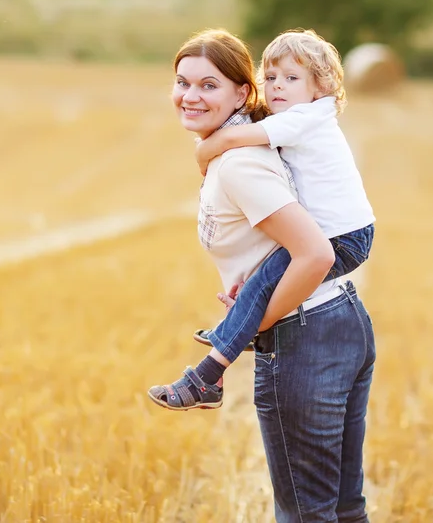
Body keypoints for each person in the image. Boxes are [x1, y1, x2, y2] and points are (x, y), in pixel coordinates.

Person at [148, 29, 376, 521]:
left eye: (209, 85)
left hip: (305, 336)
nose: (190, 95)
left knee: (305, 514)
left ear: (240, 93)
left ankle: (208, 374)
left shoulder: (240, 163)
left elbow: (313, 253)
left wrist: (260, 320)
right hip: (338, 320)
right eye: (182, 82)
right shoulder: (253, 149)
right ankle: (214, 365)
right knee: (342, 507)